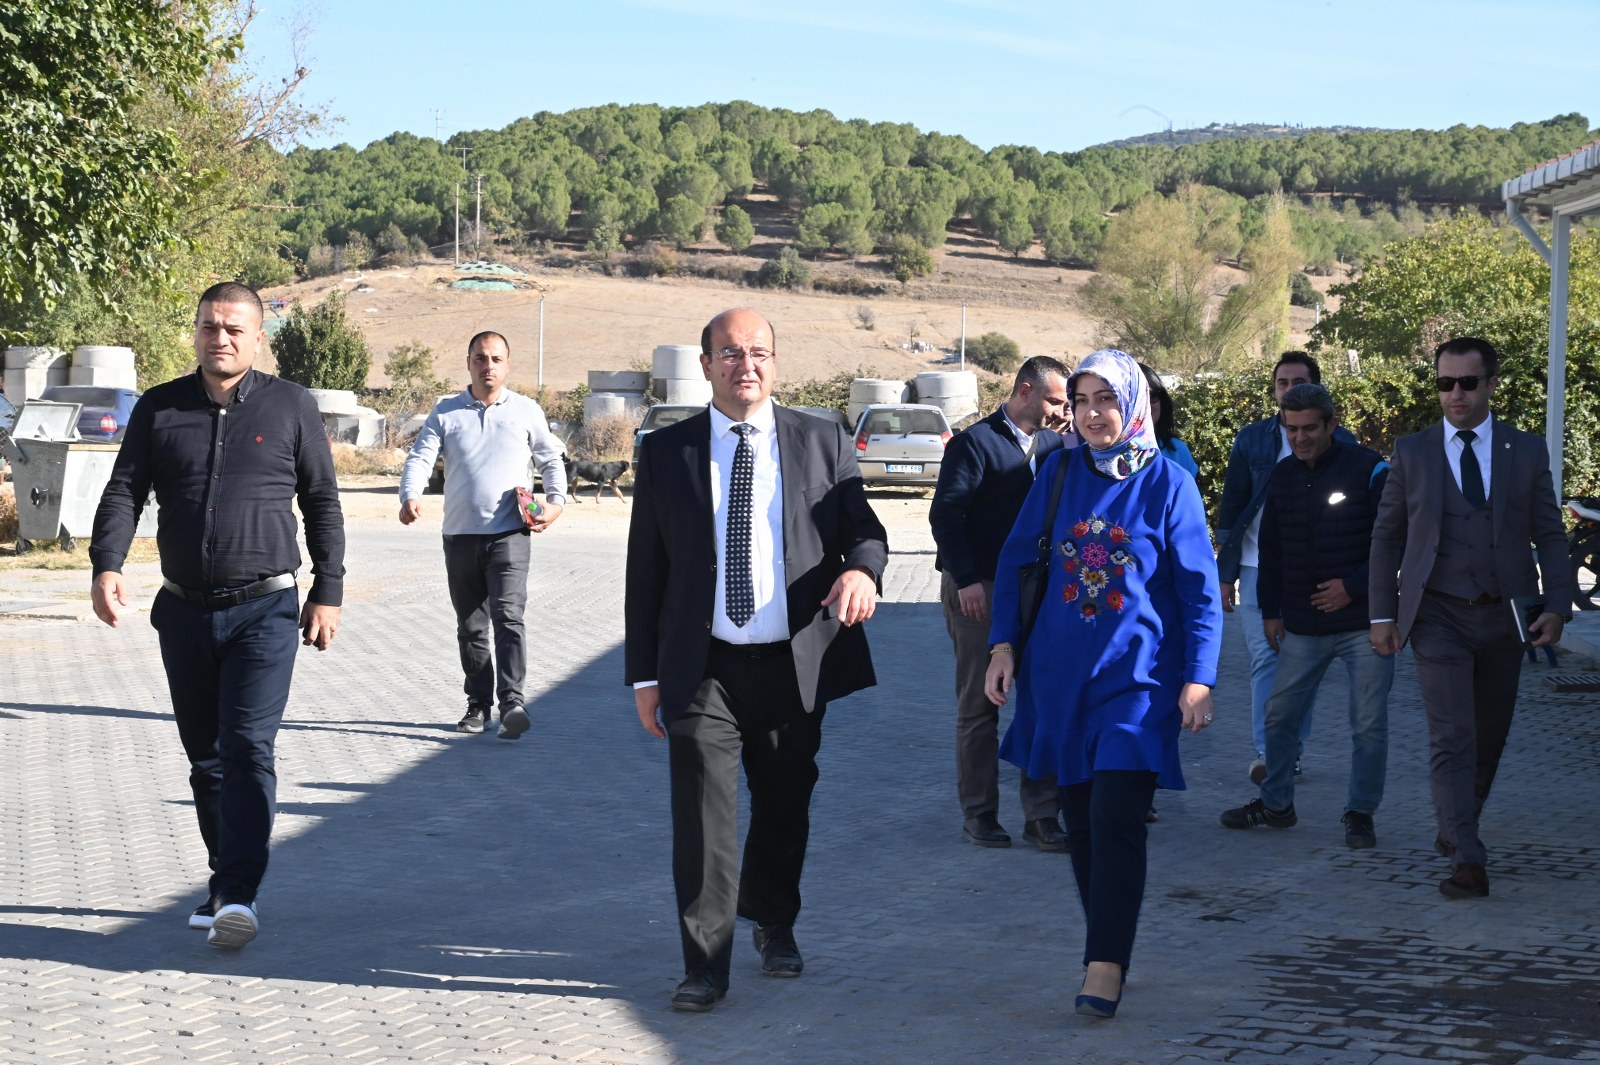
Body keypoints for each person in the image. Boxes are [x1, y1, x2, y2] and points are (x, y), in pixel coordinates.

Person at [625, 307, 888, 1012]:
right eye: (731, 353)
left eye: (760, 352)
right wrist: (644, 675)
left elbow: (865, 531)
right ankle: (705, 963)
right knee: (704, 815)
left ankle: (775, 919)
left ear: (777, 362)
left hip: (791, 661)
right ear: (706, 364)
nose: (747, 365)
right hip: (701, 664)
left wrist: (862, 572)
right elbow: (644, 573)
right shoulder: (666, 451)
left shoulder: (821, 440)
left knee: (784, 800)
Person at [89, 281, 345, 950]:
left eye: (235, 328)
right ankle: (223, 878)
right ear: (195, 332)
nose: (221, 337)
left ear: (259, 338)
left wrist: (329, 589)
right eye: (210, 326)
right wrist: (106, 564)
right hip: (182, 610)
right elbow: (124, 491)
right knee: (205, 759)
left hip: (265, 608)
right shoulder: (160, 408)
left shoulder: (291, 406)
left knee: (246, 748)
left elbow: (322, 502)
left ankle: (238, 892)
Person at [984, 348, 1221, 1019]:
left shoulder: (1170, 484)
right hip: (1059, 681)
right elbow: (1014, 561)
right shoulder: (1056, 473)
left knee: (1116, 816)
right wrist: (1002, 646)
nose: (1092, 414)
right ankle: (1108, 941)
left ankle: (1104, 963)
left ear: (1133, 405)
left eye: (1106, 400)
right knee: (1082, 822)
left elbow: (1201, 593)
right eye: (1081, 401)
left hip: (1139, 686)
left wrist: (1199, 678)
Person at [1369, 337, 1572, 899]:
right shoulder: (1412, 452)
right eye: (1444, 383)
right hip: (1436, 615)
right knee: (1453, 734)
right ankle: (1466, 855)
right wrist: (1382, 614)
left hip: (1505, 617)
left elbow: (1549, 534)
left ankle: (1457, 822)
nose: (1454, 394)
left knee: (1489, 736)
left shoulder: (1525, 451)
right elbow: (1387, 539)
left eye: (1466, 383)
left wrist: (1557, 605)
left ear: (1490, 386)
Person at [1220, 384, 1393, 848]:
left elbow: (1395, 542)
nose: (1300, 438)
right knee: (1279, 717)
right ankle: (1277, 805)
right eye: (1291, 428)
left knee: (1368, 725)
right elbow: (1271, 550)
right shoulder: (1281, 476)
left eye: (1310, 428)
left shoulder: (1370, 469)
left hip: (1364, 625)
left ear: (1332, 425)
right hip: (1302, 625)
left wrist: (1352, 588)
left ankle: (1360, 812)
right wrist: (1272, 612)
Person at [929, 355, 1071, 852]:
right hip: (980, 593)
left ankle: (1042, 816)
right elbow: (945, 516)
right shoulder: (974, 444)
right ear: (1026, 390)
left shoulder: (1056, 446)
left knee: (1043, 702)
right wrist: (967, 579)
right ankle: (980, 814)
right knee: (980, 704)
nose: (1063, 410)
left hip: (1039, 594)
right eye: (1056, 400)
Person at [398, 331, 568, 738]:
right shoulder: (446, 411)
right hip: (459, 535)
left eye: (495, 358)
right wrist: (410, 494)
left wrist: (556, 504)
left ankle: (513, 701)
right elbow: (421, 456)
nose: (487, 365)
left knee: (508, 618)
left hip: (510, 534)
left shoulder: (527, 411)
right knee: (471, 627)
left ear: (508, 364)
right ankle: (478, 704)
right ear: (469, 362)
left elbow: (550, 459)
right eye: (480, 358)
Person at [1215, 352, 1355, 783]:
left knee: (1300, 665)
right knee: (1264, 660)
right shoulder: (1252, 440)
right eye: (1281, 383)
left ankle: (1289, 749)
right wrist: (1225, 573)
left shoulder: (1344, 444)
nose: (1288, 389)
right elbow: (1232, 506)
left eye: (1298, 381)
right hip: (1259, 567)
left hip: (1312, 571)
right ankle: (1268, 751)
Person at [1139, 365, 1198, 478]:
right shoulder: (1099, 456)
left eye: (1152, 395)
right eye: (1137, 397)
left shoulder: (1178, 452)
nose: (1146, 404)